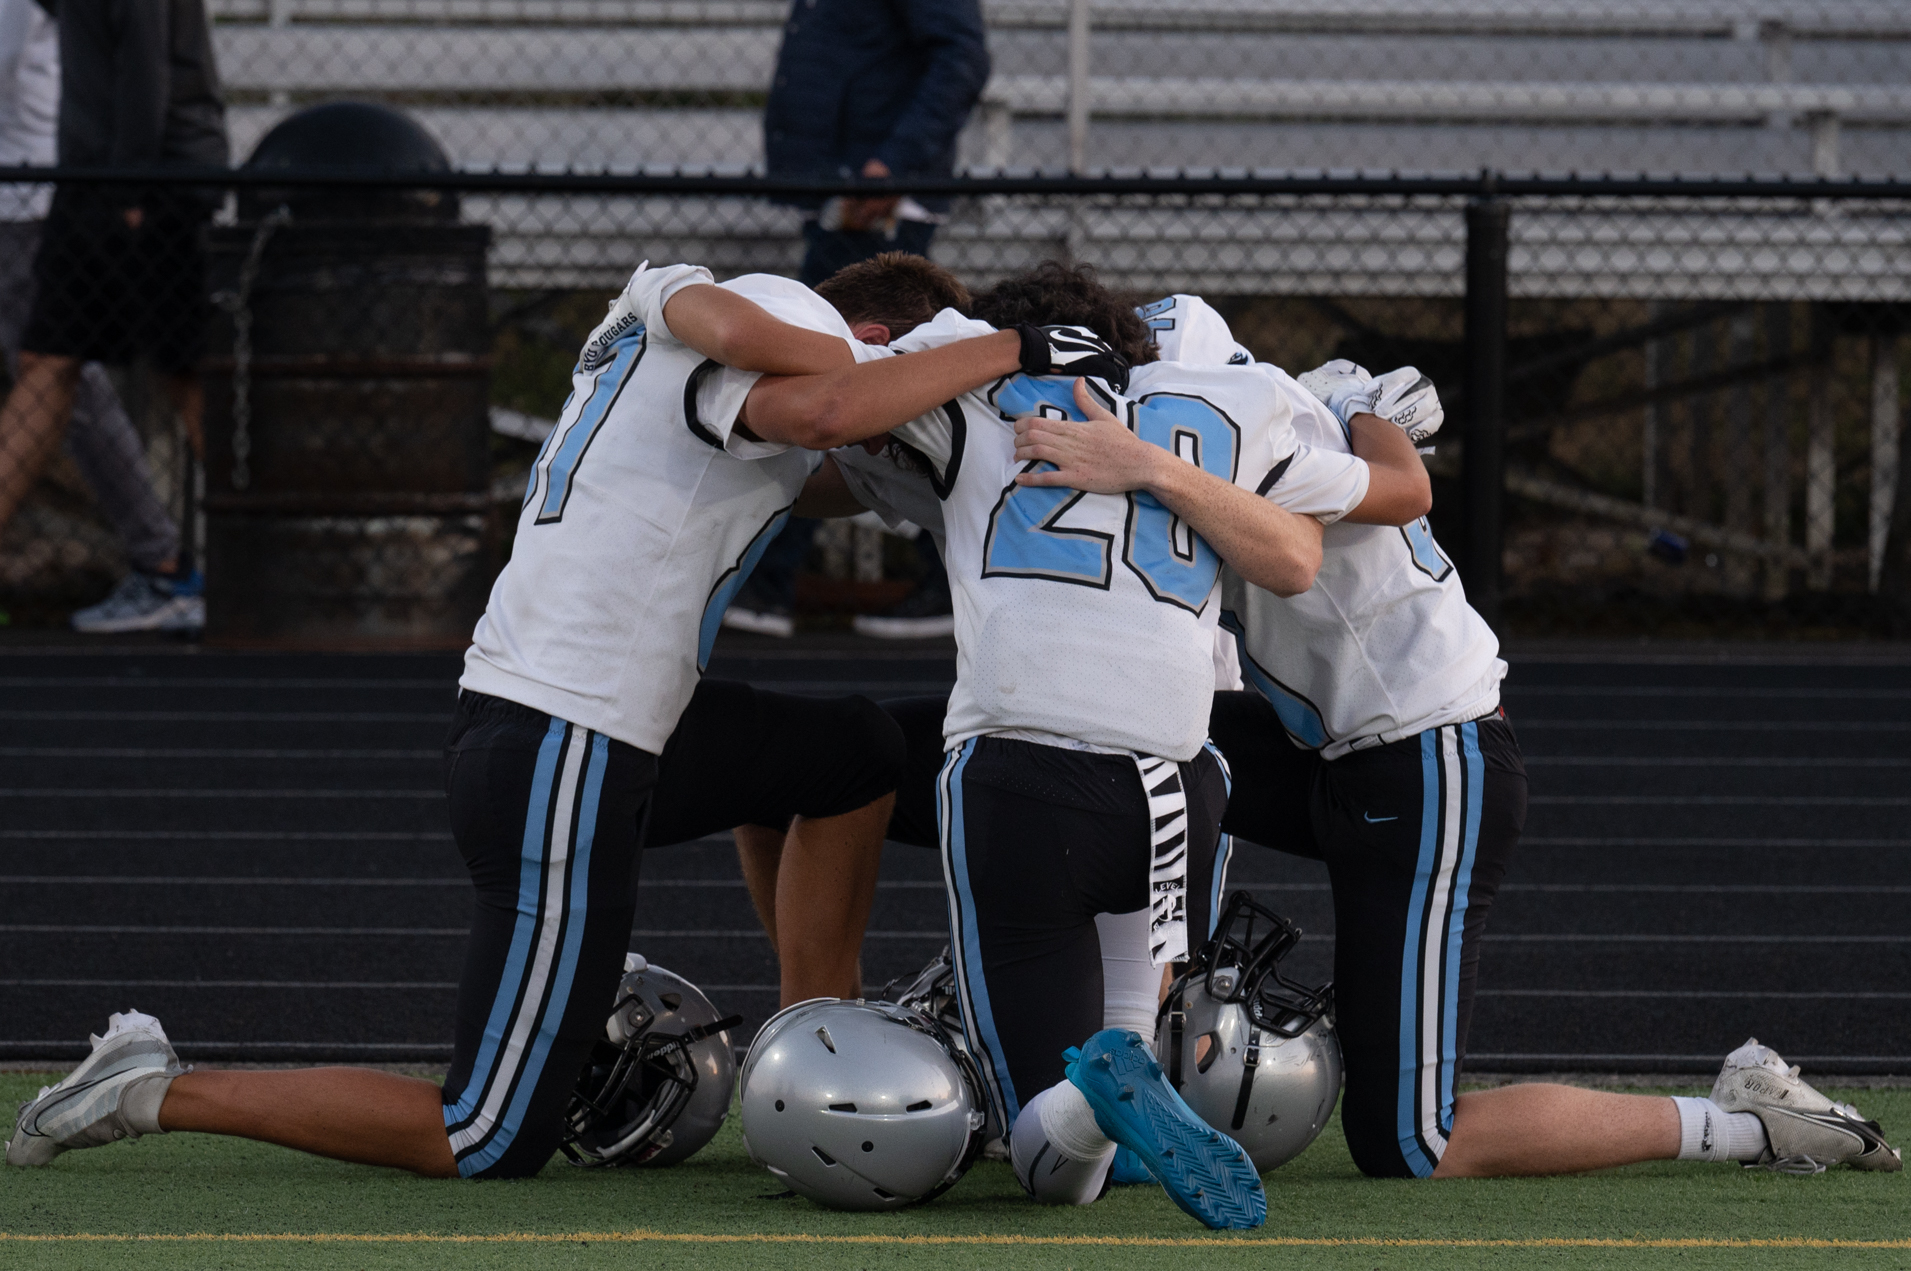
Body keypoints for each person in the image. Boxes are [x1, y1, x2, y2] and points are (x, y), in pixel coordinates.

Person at [6, 261, 1132, 1180]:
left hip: (576, 722)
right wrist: (1007, 350)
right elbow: (838, 402)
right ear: (880, 326)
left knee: (850, 752)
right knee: (485, 1132)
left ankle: (810, 1053)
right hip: (565, 743)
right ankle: (149, 1085)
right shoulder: (789, 321)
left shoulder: (697, 366)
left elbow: (829, 447)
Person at [1092, 292, 1902, 1179]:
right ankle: (1096, 1017)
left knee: (1410, 1140)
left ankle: (1742, 1119)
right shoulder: (1260, 415)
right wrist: (1361, 406)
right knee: (1114, 734)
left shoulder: (1250, 439)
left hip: (1424, 764)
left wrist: (1360, 409)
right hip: (1339, 747)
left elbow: (1396, 494)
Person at [792, 257, 1434, 1227]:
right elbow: (1303, 554)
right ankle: (1119, 1076)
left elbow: (828, 417)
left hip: (1021, 774)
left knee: (1049, 1158)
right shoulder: (1238, 396)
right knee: (1115, 1032)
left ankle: (1093, 1101)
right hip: (1180, 783)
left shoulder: (969, 383)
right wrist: (1169, 466)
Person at [725, 0, 990, 641]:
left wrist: (892, 164)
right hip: (848, 190)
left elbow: (961, 56)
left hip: (871, 199)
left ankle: (771, 578)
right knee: (863, 373)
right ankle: (945, 574)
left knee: (844, 374)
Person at [0, 0, 198, 631]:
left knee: (61, 376)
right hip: (45, 189)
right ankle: (163, 558)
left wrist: (129, 184)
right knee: (54, 374)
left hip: (34, 199)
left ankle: (165, 559)